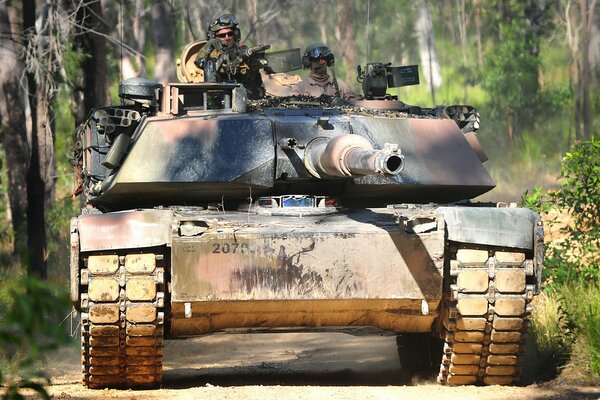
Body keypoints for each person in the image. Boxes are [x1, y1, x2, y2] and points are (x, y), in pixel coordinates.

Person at [195, 14, 269, 99]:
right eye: (222, 35)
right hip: (220, 99)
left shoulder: (243, 50)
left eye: (229, 34)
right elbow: (199, 61)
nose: (227, 38)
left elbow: (257, 79)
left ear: (235, 34)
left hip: (247, 98)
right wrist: (210, 45)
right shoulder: (213, 55)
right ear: (214, 38)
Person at [292, 42, 358, 101]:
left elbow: (355, 104)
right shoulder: (300, 87)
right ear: (308, 62)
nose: (321, 62)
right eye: (317, 59)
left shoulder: (340, 86)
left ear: (328, 61)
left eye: (324, 59)